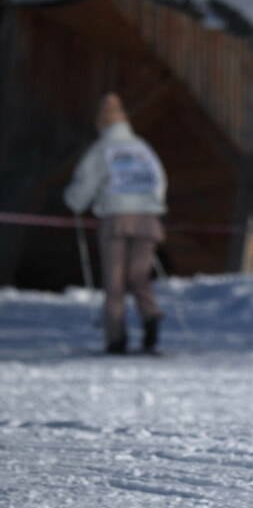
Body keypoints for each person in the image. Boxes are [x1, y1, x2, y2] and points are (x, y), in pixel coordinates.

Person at [63, 93, 167, 354]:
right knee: (139, 275)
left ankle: (116, 337)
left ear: (102, 125)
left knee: (115, 280)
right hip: (147, 220)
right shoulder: (143, 148)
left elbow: (84, 184)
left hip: (116, 220)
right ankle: (150, 314)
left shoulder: (102, 150)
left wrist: (75, 202)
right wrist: (152, 204)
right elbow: (159, 179)